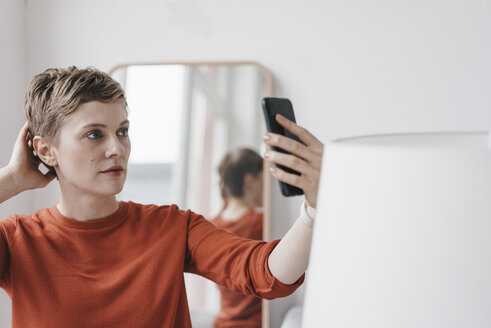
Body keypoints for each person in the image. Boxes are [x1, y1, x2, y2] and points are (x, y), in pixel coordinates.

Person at [0, 66, 324, 327]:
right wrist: (12, 179)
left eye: (122, 131)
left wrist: (313, 207)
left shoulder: (171, 226)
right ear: (46, 150)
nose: (117, 149)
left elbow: (268, 273)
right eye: (94, 134)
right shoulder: (17, 240)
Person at [211, 148, 264, 327]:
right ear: (249, 181)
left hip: (222, 323)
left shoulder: (211, 225)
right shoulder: (261, 224)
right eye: (263, 180)